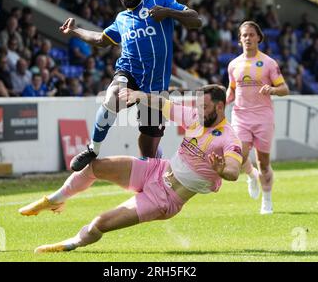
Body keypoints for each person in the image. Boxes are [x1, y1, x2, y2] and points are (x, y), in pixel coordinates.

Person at [19, 85, 242, 253]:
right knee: (96, 166)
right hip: (157, 170)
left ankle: (71, 244)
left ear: (220, 107)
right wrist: (138, 96)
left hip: (165, 199)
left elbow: (232, 171)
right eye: (198, 105)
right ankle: (55, 199)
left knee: (100, 223)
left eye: (204, 107)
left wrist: (221, 170)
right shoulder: (194, 117)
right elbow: (164, 104)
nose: (199, 111)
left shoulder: (228, 138)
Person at [60, 0, 202, 172]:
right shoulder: (121, 19)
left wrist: (169, 13)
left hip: (156, 87)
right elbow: (101, 39)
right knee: (113, 96)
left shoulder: (158, 0)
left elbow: (196, 20)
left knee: (148, 153)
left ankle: (153, 164)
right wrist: (75, 30)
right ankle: (93, 148)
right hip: (129, 73)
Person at [226, 21, 289, 215]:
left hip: (263, 117)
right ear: (240, 40)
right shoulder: (234, 64)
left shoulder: (269, 63)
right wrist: (222, 103)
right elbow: (232, 89)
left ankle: (267, 201)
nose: (248, 38)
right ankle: (251, 176)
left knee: (263, 162)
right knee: (240, 156)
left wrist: (272, 89)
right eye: (244, 35)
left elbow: (285, 89)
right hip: (240, 116)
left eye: (251, 35)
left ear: (259, 38)